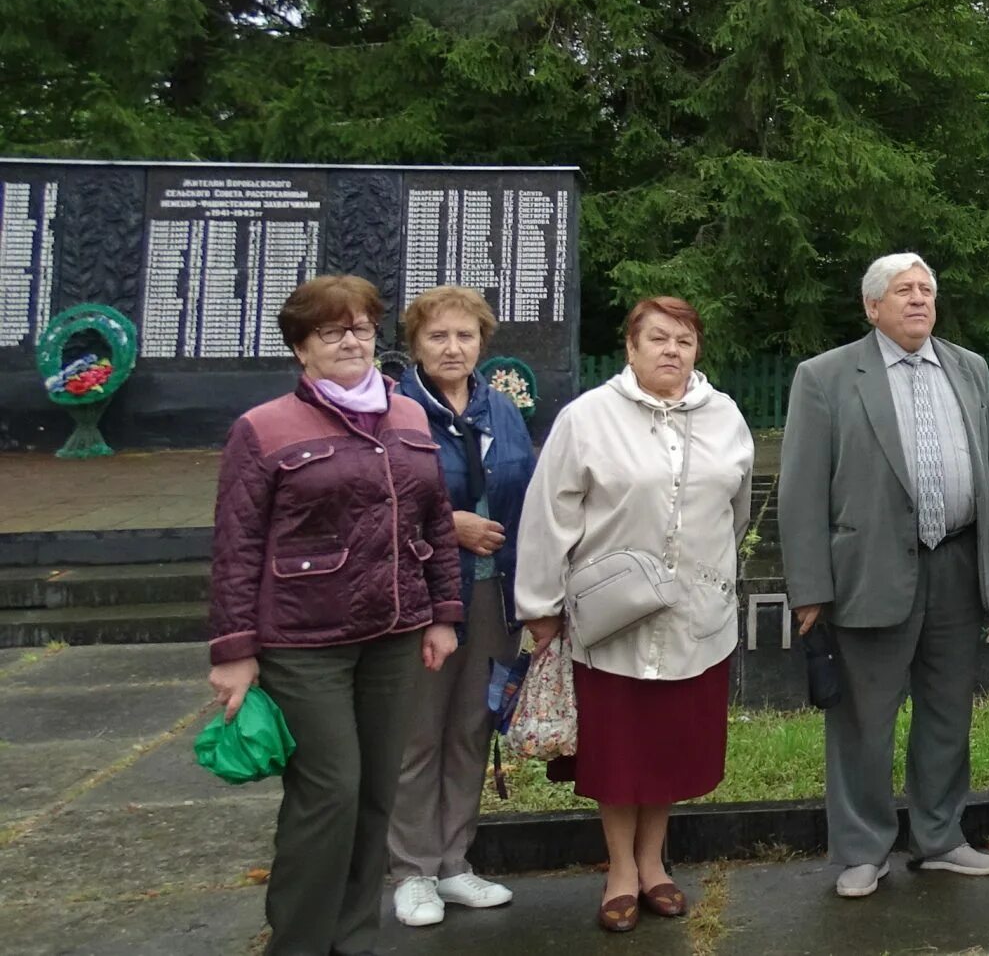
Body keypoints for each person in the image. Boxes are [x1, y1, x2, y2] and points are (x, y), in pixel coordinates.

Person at [207, 275, 462, 956]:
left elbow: (434, 520)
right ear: (301, 347)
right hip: (303, 641)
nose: (351, 340)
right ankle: (297, 942)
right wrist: (234, 649)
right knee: (330, 794)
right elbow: (236, 545)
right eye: (331, 330)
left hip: (394, 635)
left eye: (362, 328)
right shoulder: (263, 428)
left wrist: (443, 613)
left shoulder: (407, 416)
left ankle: (353, 939)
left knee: (376, 793)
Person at [515, 296, 755, 932]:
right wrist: (540, 606)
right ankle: (620, 868)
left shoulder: (726, 415)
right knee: (619, 750)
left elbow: (739, 508)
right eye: (658, 338)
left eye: (684, 340)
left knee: (668, 745)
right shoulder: (587, 418)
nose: (672, 350)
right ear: (630, 347)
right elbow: (549, 514)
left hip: (694, 619)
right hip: (610, 620)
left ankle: (655, 863)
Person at [778, 254, 989, 899]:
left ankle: (940, 837)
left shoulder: (971, 369)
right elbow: (799, 490)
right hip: (869, 572)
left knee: (947, 714)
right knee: (862, 720)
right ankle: (861, 849)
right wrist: (810, 589)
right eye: (902, 291)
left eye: (926, 290)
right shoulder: (825, 376)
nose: (918, 300)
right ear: (872, 306)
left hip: (959, 566)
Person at [388, 285, 535, 927]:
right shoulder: (393, 412)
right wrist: (450, 525)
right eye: (438, 336)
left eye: (465, 336)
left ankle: (455, 863)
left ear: (482, 343)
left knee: (474, 726)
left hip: (491, 591)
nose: (453, 348)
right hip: (422, 595)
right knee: (420, 733)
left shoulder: (502, 409)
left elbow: (530, 493)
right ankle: (411, 870)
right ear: (415, 345)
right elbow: (378, 500)